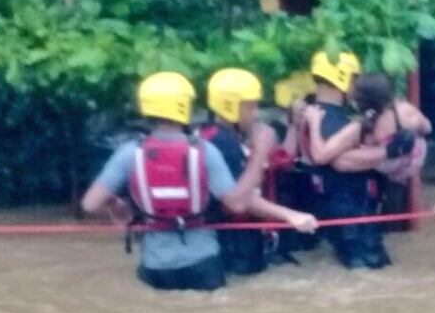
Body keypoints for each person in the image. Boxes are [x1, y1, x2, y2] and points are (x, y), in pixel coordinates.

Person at [81, 71, 316, 292]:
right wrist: (261, 152)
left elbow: (90, 204)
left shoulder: (129, 152)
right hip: (203, 262)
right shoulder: (204, 151)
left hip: (154, 265)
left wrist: (115, 205)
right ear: (185, 105)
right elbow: (236, 203)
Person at [300, 51, 392, 270]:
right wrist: (388, 152)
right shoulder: (335, 121)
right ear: (342, 78)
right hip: (350, 208)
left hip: (333, 204)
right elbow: (329, 159)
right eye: (354, 79)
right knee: (371, 268)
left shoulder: (311, 113)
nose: (356, 86)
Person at [199, 67, 282, 275]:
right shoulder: (224, 143)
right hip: (236, 246)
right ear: (230, 106)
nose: (255, 114)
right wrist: (261, 150)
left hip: (226, 240)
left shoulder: (208, 134)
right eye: (250, 107)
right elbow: (239, 200)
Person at [306, 72, 430, 185]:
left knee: (339, 161)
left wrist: (314, 122)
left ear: (357, 100)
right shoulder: (405, 110)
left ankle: (389, 151)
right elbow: (427, 128)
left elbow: (320, 156)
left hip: (386, 162)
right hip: (412, 161)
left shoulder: (359, 127)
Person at [272, 71, 318, 256]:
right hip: (285, 193)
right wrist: (294, 124)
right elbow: (285, 159)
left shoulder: (314, 123)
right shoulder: (274, 128)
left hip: (308, 191)